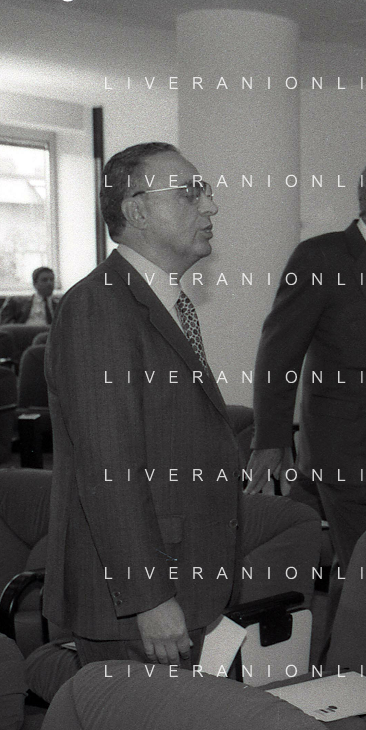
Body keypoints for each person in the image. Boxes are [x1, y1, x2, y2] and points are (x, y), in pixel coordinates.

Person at [44, 142, 240, 666]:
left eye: (205, 191)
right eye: (189, 192)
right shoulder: (99, 306)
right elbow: (107, 467)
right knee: (142, 723)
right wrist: (148, 596)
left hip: (181, 574)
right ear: (137, 211)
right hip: (138, 601)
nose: (210, 205)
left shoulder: (158, 299)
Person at [247, 153, 366, 575]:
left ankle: (345, 618)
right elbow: (279, 353)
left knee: (365, 563)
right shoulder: (321, 257)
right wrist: (270, 439)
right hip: (341, 449)